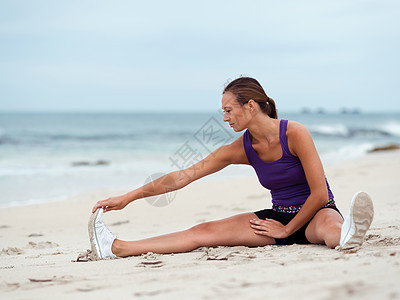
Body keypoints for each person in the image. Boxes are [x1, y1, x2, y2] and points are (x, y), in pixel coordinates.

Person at [89, 77, 374, 259]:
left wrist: (286, 232)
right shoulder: (241, 148)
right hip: (273, 220)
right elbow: (182, 176)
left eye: (228, 110)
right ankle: (116, 248)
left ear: (250, 106)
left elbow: (320, 195)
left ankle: (349, 233)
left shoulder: (294, 134)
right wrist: (127, 197)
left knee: (332, 230)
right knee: (204, 230)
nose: (224, 118)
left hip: (315, 214)